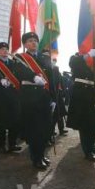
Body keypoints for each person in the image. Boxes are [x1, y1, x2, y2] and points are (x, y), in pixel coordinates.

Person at [15, 32, 56, 169]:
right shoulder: (20, 58)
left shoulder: (44, 57)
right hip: (29, 96)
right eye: (30, 41)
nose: (33, 43)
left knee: (45, 128)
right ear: (25, 44)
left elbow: (51, 78)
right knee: (34, 129)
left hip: (44, 95)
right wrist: (33, 77)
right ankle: (36, 157)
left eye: (35, 40)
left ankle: (42, 154)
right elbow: (19, 71)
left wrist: (53, 98)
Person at [67, 49, 95, 161]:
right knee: (84, 125)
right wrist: (87, 55)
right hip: (80, 94)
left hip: (93, 94)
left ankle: (91, 143)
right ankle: (88, 151)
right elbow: (72, 64)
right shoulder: (76, 59)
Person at [0, 42, 22, 153]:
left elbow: (19, 75)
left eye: (6, 48)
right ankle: (1, 145)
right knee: (1, 121)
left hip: (13, 94)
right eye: (2, 49)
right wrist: (0, 79)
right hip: (0, 95)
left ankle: (12, 144)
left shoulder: (14, 62)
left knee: (15, 120)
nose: (5, 51)